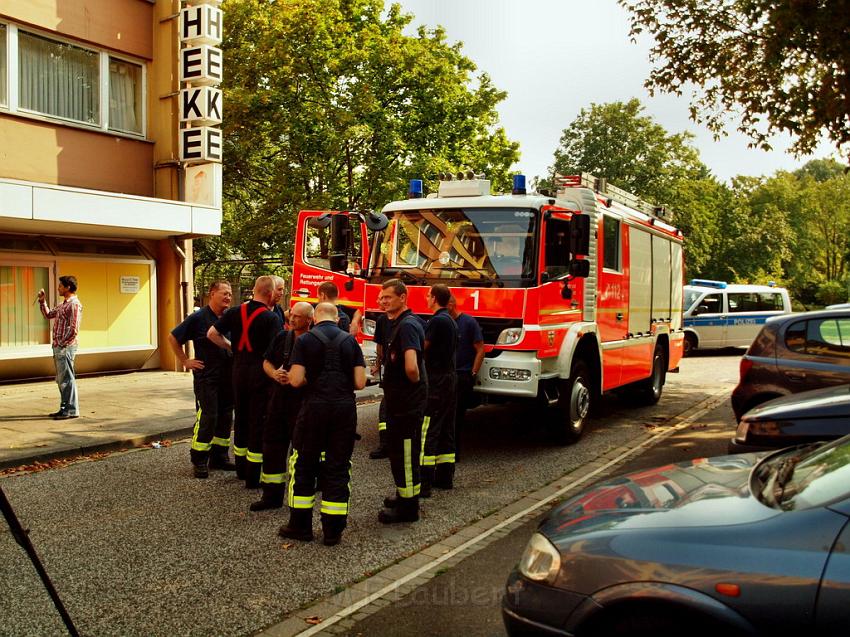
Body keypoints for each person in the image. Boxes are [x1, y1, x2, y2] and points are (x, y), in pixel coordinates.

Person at [278, 302, 366, 546]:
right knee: (338, 466)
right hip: (343, 411)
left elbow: (295, 381)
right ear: (338, 319)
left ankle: (300, 526)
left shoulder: (304, 341)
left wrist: (311, 378)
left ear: (315, 319)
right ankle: (333, 530)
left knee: (304, 464)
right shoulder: (349, 342)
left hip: (313, 410)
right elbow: (359, 382)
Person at [207, 276, 282, 486]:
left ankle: (240, 468)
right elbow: (277, 349)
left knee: (240, 418)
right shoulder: (271, 318)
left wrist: (232, 347)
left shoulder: (234, 312)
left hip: (238, 371)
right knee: (258, 421)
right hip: (261, 373)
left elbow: (212, 333)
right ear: (269, 293)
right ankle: (253, 474)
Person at [167, 281, 235, 479]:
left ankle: (220, 457)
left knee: (225, 417)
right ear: (212, 294)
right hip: (207, 377)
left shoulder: (229, 317)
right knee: (208, 416)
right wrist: (185, 361)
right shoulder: (198, 318)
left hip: (227, 375)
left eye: (230, 294)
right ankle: (199, 459)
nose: (228, 298)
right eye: (224, 293)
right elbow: (173, 337)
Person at [250, 301, 314, 511]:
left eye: (297, 316)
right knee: (272, 447)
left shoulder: (314, 341)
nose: (292, 319)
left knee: (300, 452)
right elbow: (266, 362)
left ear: (309, 320)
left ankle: (298, 500)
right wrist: (275, 374)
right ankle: (271, 496)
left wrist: (300, 380)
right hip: (278, 401)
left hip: (301, 403)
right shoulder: (281, 337)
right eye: (291, 315)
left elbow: (319, 373)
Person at [376, 279, 427, 524]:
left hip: (406, 402)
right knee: (401, 452)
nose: (382, 301)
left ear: (403, 297)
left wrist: (408, 388)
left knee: (405, 454)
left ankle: (408, 509)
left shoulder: (407, 325)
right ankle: (404, 494)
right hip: (400, 400)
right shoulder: (394, 323)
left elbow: (411, 367)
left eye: (387, 297)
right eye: (381, 297)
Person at [420, 284, 458, 496]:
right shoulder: (451, 321)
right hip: (449, 379)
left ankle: (423, 483)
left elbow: (423, 346)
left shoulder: (437, 321)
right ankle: (445, 477)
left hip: (436, 380)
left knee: (428, 430)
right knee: (446, 429)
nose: (426, 298)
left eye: (428, 295)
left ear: (434, 298)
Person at [37, 276, 83, 420]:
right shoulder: (63, 304)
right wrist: (42, 301)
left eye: (60, 286)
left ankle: (71, 410)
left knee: (67, 379)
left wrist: (62, 343)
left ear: (68, 287)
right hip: (60, 346)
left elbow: (74, 329)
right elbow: (48, 314)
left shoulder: (74, 304)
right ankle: (64, 409)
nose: (58, 288)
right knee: (61, 379)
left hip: (66, 347)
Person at [447, 295, 484, 445]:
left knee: (457, 413)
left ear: (450, 305)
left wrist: (473, 373)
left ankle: (454, 450)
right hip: (445, 375)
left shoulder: (468, 322)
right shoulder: (441, 322)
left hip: (462, 375)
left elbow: (480, 349)